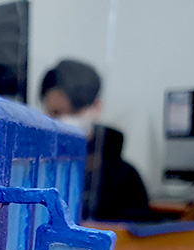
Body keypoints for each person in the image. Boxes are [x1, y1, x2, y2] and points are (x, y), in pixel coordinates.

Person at [39, 58, 151, 222]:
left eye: (75, 111)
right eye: (56, 113)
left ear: (97, 106)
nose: (65, 121)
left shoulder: (126, 178)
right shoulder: (37, 168)